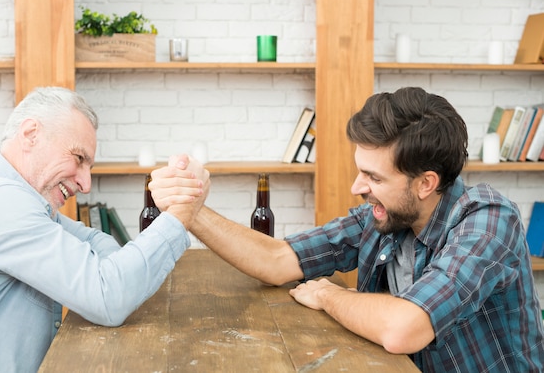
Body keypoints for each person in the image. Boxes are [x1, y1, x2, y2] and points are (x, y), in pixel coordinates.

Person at [150, 87, 544, 372]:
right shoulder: (384, 216)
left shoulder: (488, 221)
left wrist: (329, 295)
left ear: (425, 183)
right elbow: (274, 260)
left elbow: (403, 328)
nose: (358, 187)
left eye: (373, 176)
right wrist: (191, 211)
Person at [0, 87, 209, 373]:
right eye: (79, 158)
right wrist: (182, 212)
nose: (85, 184)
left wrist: (107, 271)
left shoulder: (12, 195)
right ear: (31, 134)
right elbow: (109, 298)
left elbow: (95, 240)